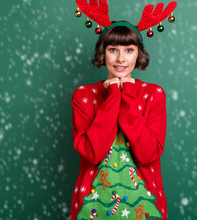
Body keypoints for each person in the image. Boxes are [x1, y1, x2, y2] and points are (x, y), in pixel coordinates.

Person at [69, 21, 168, 220]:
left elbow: (148, 154)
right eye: (113, 49)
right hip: (92, 209)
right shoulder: (84, 95)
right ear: (102, 52)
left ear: (138, 54)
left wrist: (128, 96)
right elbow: (92, 152)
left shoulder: (153, 94)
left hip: (144, 209)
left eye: (129, 50)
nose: (121, 58)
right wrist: (113, 95)